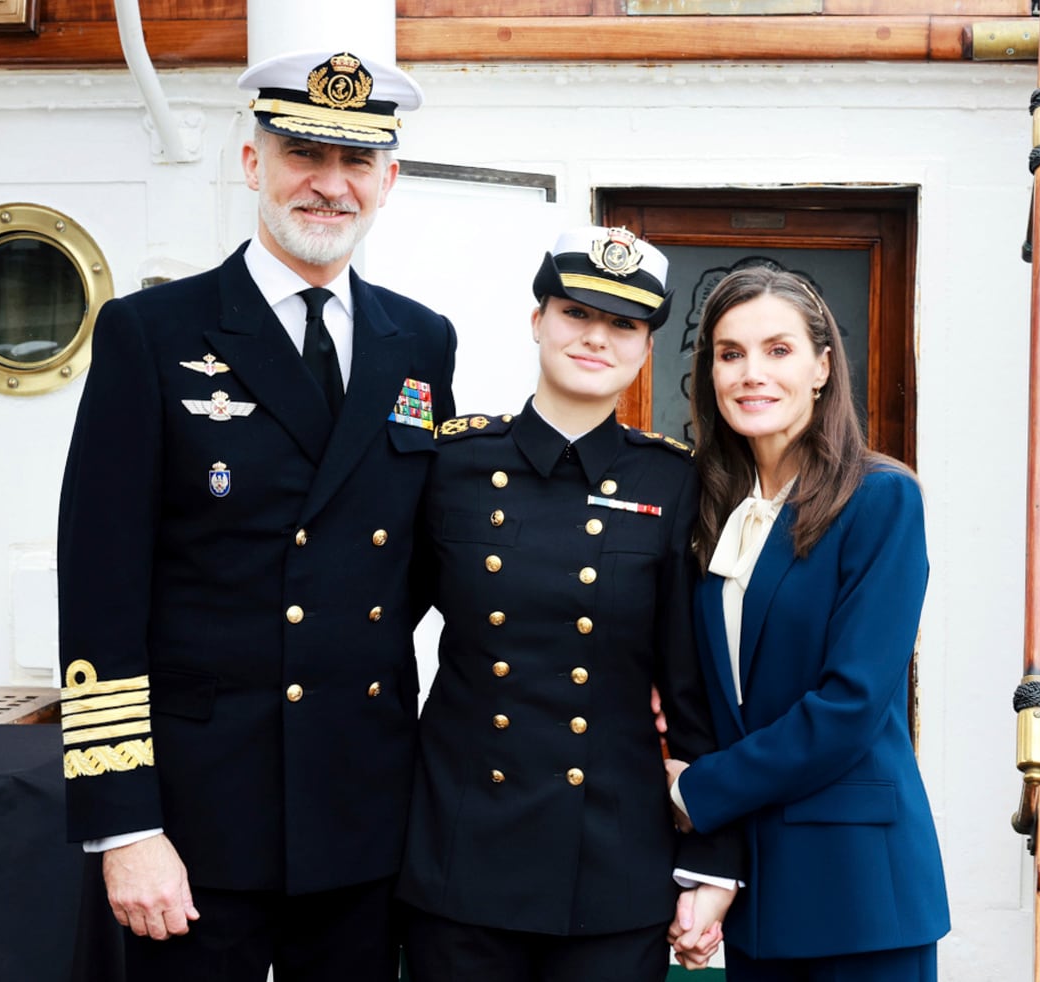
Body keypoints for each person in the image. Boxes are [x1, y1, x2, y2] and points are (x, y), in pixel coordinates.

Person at [56, 48, 457, 982]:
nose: (329, 186)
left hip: (363, 806)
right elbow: (101, 590)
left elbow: (428, 559)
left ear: (388, 179)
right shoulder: (151, 335)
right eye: (301, 155)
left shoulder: (420, 341)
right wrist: (125, 823)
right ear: (251, 164)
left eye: (355, 162)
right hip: (198, 816)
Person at [396, 226, 741, 982]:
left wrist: (711, 858)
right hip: (460, 847)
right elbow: (374, 636)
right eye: (575, 313)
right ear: (536, 322)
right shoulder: (449, 465)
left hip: (611, 858)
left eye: (622, 325)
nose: (595, 338)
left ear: (646, 348)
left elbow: (694, 688)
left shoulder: (675, 483)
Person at [665, 266, 950, 981]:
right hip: (760, 893)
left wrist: (695, 792)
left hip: (857, 889)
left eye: (777, 350)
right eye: (729, 354)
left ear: (823, 367)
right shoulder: (707, 504)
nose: (751, 373)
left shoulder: (881, 499)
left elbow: (849, 705)